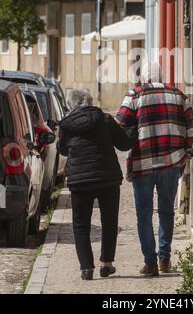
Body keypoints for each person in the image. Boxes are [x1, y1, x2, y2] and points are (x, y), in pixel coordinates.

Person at [116, 62, 193, 277]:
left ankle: (150, 263)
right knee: (166, 211)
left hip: (142, 164)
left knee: (144, 215)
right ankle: (165, 259)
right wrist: (189, 152)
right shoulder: (178, 95)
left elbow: (119, 124)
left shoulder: (134, 96)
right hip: (171, 163)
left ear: (144, 79)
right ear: (161, 76)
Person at [58, 89, 136, 281]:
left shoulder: (66, 125)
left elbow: (62, 150)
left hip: (79, 180)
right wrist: (133, 128)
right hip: (107, 178)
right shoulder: (105, 119)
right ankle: (106, 264)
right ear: (90, 101)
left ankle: (86, 268)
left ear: (70, 105)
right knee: (109, 222)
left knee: (80, 224)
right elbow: (124, 144)